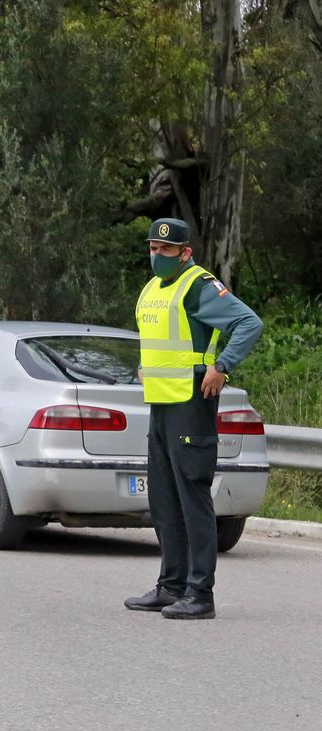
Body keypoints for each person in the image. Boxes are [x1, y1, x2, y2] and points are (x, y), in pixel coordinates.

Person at [123, 218, 262, 620]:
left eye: (166, 250)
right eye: (153, 248)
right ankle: (171, 587)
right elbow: (163, 342)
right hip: (162, 405)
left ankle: (200, 594)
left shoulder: (200, 286)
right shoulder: (152, 289)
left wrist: (223, 366)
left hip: (192, 403)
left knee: (193, 499)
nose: (157, 256)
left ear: (185, 252)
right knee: (163, 501)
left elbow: (249, 323)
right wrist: (144, 366)